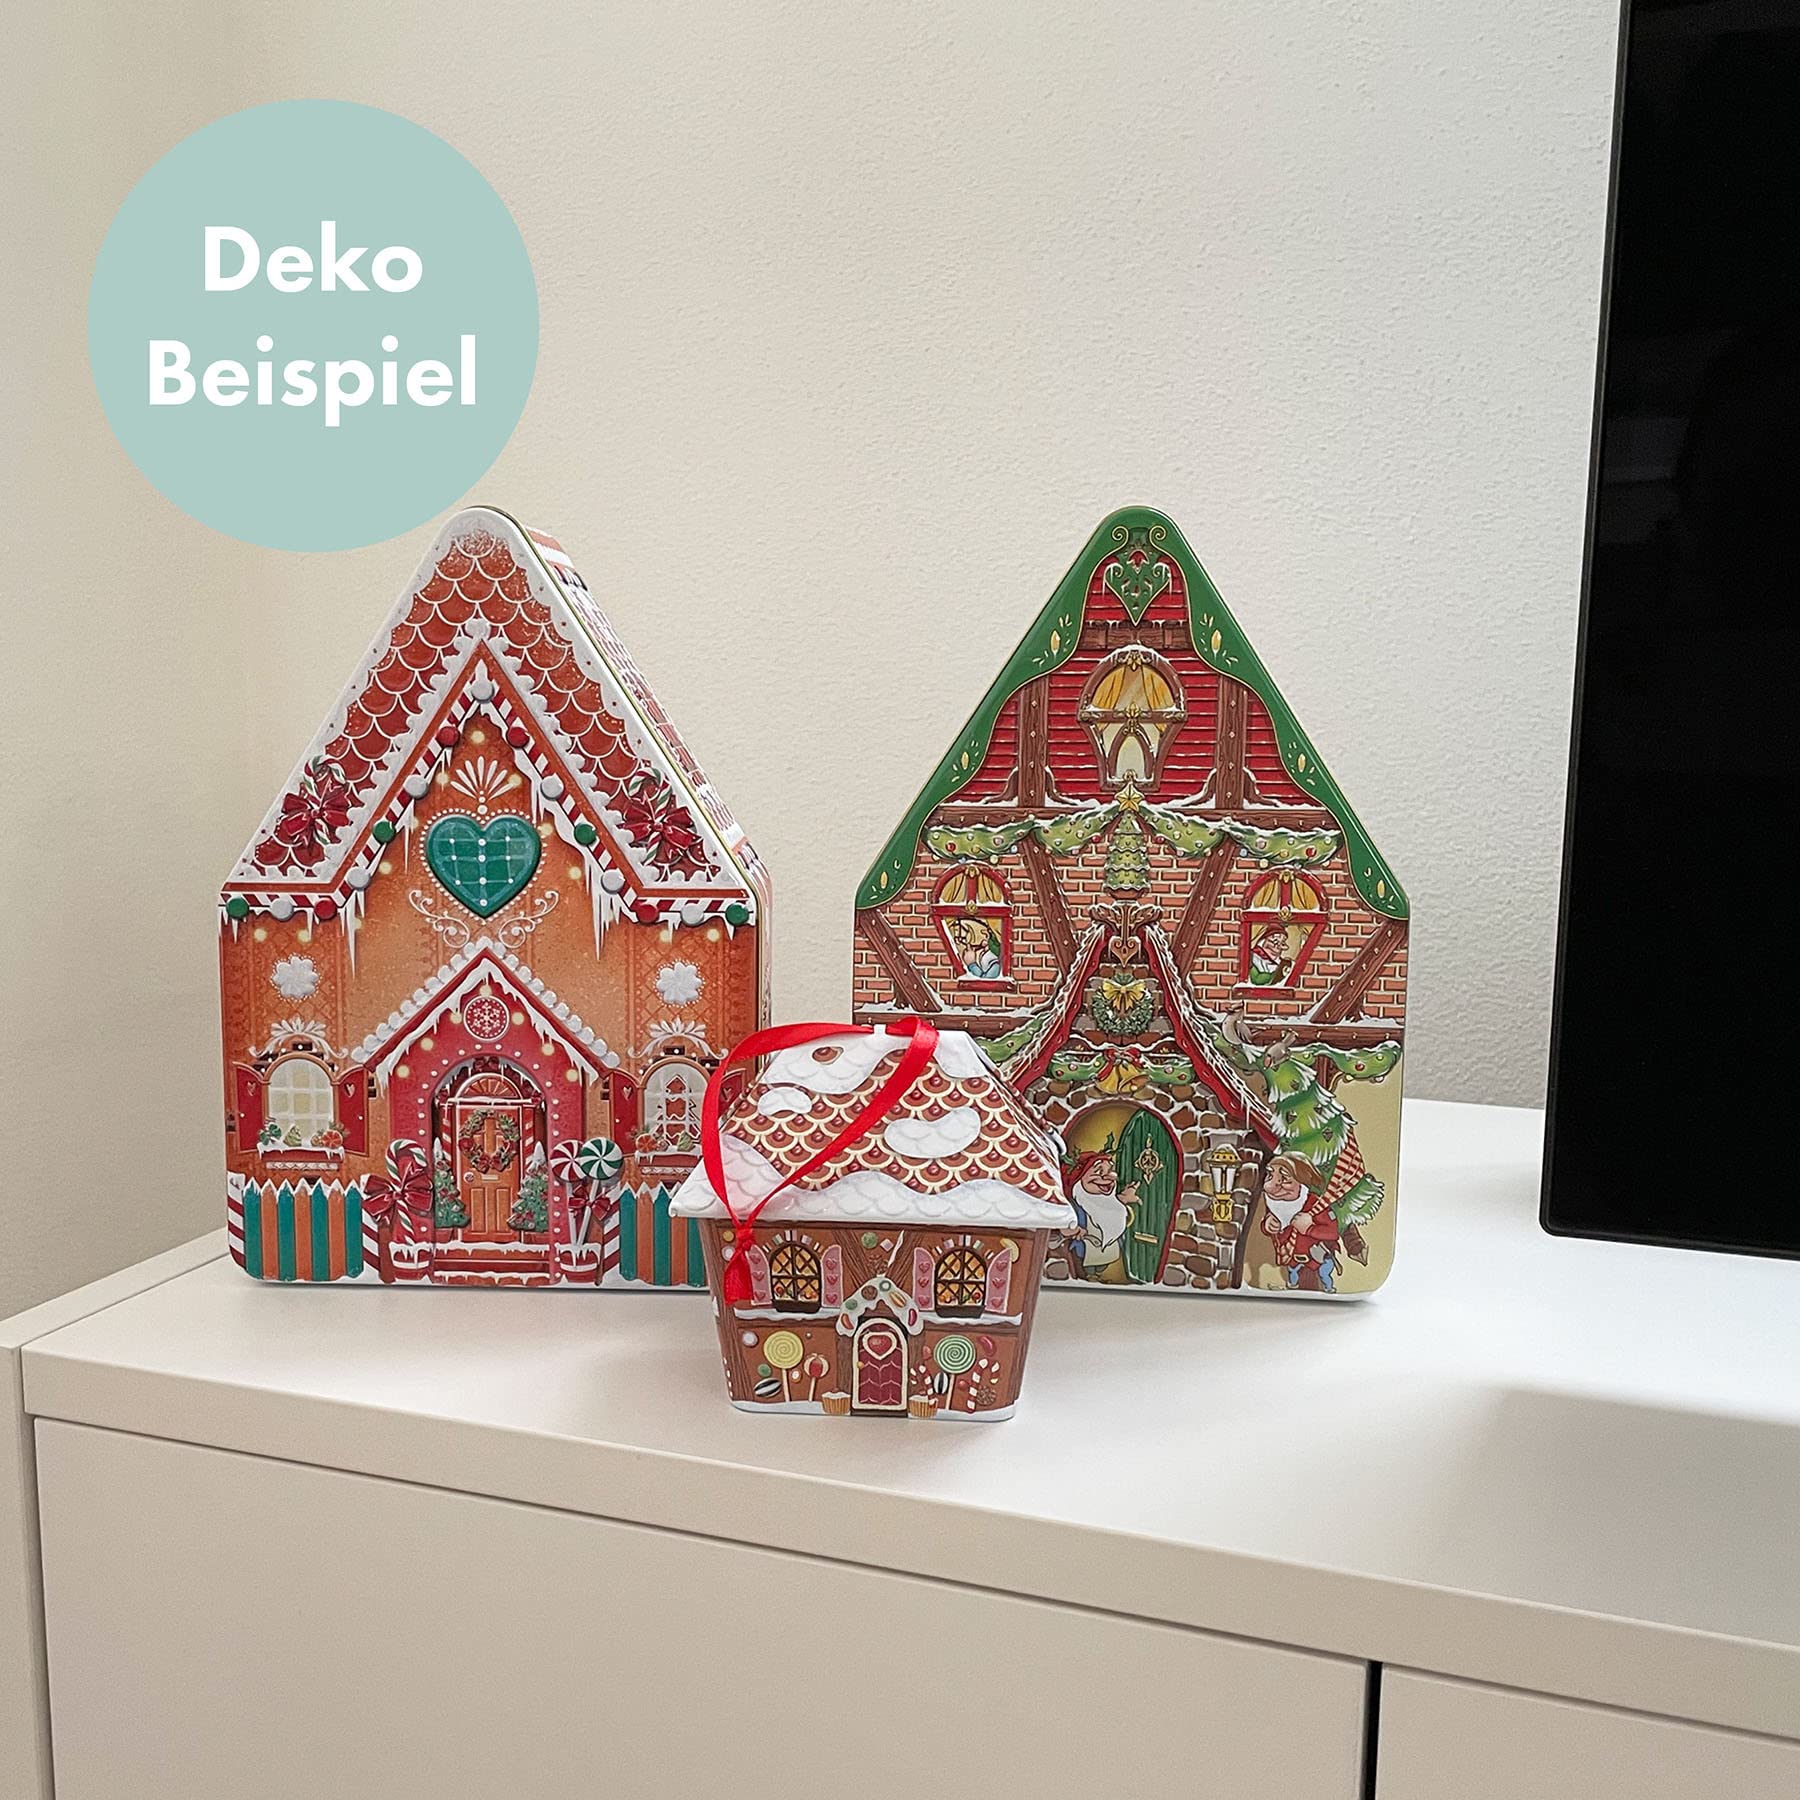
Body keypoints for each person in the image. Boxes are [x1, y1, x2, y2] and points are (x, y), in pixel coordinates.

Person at [1259, 1152, 1340, 1292]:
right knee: (1293, 1276)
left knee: (1323, 1276)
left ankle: (1329, 1289)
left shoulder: (1315, 1204)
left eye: (1285, 1179)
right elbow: (1266, 1226)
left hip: (1318, 1259)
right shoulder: (1273, 1204)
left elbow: (1333, 1232)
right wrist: (1267, 1225)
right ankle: (1291, 1286)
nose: (1273, 1185)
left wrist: (1310, 1228)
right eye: (1270, 1175)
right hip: (1293, 1259)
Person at [1065, 1149, 1137, 1278]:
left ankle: (1096, 1274)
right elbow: (1061, 1224)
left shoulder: (1111, 1204)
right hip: (1085, 1249)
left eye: (1110, 1171)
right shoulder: (1075, 1206)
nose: (1110, 1176)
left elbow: (1111, 1207)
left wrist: (1124, 1198)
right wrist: (1071, 1230)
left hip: (1109, 1251)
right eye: (1099, 1171)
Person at [951, 915, 1004, 981]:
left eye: (968, 934)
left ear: (985, 935)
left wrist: (972, 964)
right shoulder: (982, 955)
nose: (967, 943)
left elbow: (986, 981)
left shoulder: (993, 961)